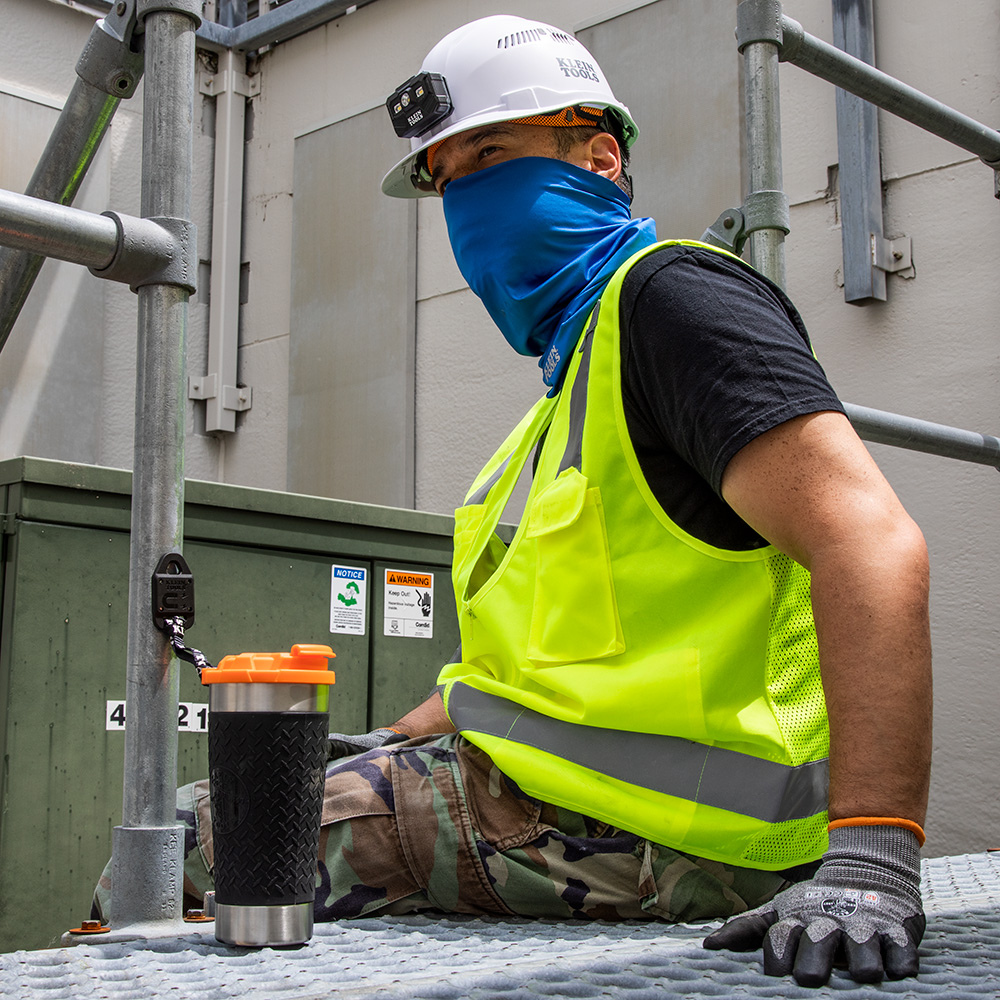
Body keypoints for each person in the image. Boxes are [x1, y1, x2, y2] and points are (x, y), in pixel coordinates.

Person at [95, 14, 932, 990]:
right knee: (253, 801)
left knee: (195, 842)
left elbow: (874, 544)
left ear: (601, 158)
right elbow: (577, 652)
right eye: (447, 179)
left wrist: (873, 856)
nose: (469, 200)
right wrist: (415, 727)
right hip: (567, 804)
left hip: (638, 833)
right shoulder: (578, 379)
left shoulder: (674, 301)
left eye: (491, 154)